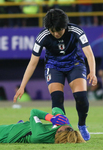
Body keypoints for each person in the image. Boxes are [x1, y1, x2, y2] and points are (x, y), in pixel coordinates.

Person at [14, 8, 97, 141]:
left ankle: (82, 125)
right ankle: (63, 129)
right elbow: (33, 62)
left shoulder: (76, 31)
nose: (56, 33)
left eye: (59, 30)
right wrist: (22, 86)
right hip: (54, 66)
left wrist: (92, 71)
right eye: (52, 31)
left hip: (74, 64)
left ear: (65, 26)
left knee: (81, 96)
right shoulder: (42, 36)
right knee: (57, 98)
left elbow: (89, 53)